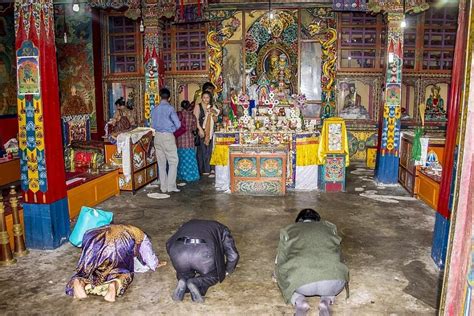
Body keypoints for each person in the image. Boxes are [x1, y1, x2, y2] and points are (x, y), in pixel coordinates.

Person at [275, 209, 349, 316]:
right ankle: (326, 301)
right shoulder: (329, 227)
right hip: (333, 282)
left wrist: (277, 275)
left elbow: (280, 261)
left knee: (281, 274)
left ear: (299, 221)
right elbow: (339, 255)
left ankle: (299, 302)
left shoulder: (288, 230)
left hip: (302, 283)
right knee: (333, 269)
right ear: (317, 220)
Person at [65, 224, 165, 302]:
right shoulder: (142, 236)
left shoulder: (128, 228)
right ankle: (114, 284)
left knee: (90, 269)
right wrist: (155, 264)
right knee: (122, 271)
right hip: (119, 240)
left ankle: (80, 281)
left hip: (93, 236)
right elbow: (148, 255)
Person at [166, 219, 239, 303]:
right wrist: (227, 271)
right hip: (202, 253)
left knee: (184, 272)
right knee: (212, 276)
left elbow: (168, 243)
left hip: (179, 250)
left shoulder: (186, 224)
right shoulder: (222, 229)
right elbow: (233, 255)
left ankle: (183, 280)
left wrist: (175, 256)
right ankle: (195, 283)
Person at [152, 88, 181, 193]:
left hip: (157, 137)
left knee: (161, 163)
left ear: (160, 96)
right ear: (169, 98)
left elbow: (153, 125)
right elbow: (178, 124)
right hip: (168, 136)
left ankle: (163, 187)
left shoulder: (154, 109)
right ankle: (171, 186)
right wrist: (171, 129)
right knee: (173, 161)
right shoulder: (170, 108)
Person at [194, 91, 220, 177]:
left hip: (210, 131)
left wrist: (212, 114)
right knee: (202, 150)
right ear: (201, 98)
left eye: (207, 97)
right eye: (204, 97)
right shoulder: (198, 106)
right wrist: (200, 129)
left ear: (210, 98)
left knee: (209, 149)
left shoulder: (212, 107)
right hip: (202, 130)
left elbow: (216, 120)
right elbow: (196, 120)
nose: (206, 99)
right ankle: (202, 170)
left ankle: (209, 169)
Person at [176, 100, 200, 182]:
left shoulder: (178, 115)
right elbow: (194, 128)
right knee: (190, 158)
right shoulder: (192, 116)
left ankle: (181, 176)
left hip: (180, 139)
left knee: (181, 159)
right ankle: (191, 176)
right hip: (190, 139)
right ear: (189, 106)